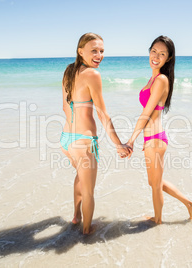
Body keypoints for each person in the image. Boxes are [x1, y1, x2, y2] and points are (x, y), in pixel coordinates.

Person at [61, 33, 132, 234]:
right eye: (94, 50)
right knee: (89, 192)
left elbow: (65, 106)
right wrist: (119, 144)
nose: (99, 55)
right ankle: (86, 231)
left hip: (66, 139)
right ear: (80, 51)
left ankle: (76, 216)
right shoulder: (93, 74)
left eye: (101, 51)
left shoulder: (69, 71)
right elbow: (102, 114)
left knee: (80, 178)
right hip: (84, 142)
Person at [126, 36, 192, 224]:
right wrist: (142, 139)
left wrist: (131, 139)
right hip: (151, 139)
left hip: (156, 140)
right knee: (154, 183)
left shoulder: (161, 80)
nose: (156, 56)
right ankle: (189, 203)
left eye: (162, 54)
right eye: (154, 51)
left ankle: (158, 220)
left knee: (155, 185)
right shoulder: (153, 78)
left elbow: (146, 113)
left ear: (169, 58)